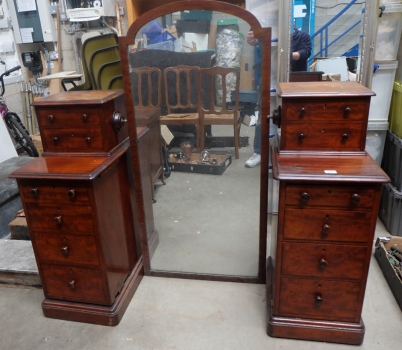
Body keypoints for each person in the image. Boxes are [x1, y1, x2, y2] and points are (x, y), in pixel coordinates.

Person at [245, 27, 311, 168]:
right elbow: (255, 44)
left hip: (293, 82)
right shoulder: (267, 33)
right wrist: (254, 40)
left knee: (294, 118)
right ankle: (259, 152)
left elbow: (305, 53)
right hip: (267, 79)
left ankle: (293, 153)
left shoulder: (302, 36)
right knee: (263, 117)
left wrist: (283, 54)